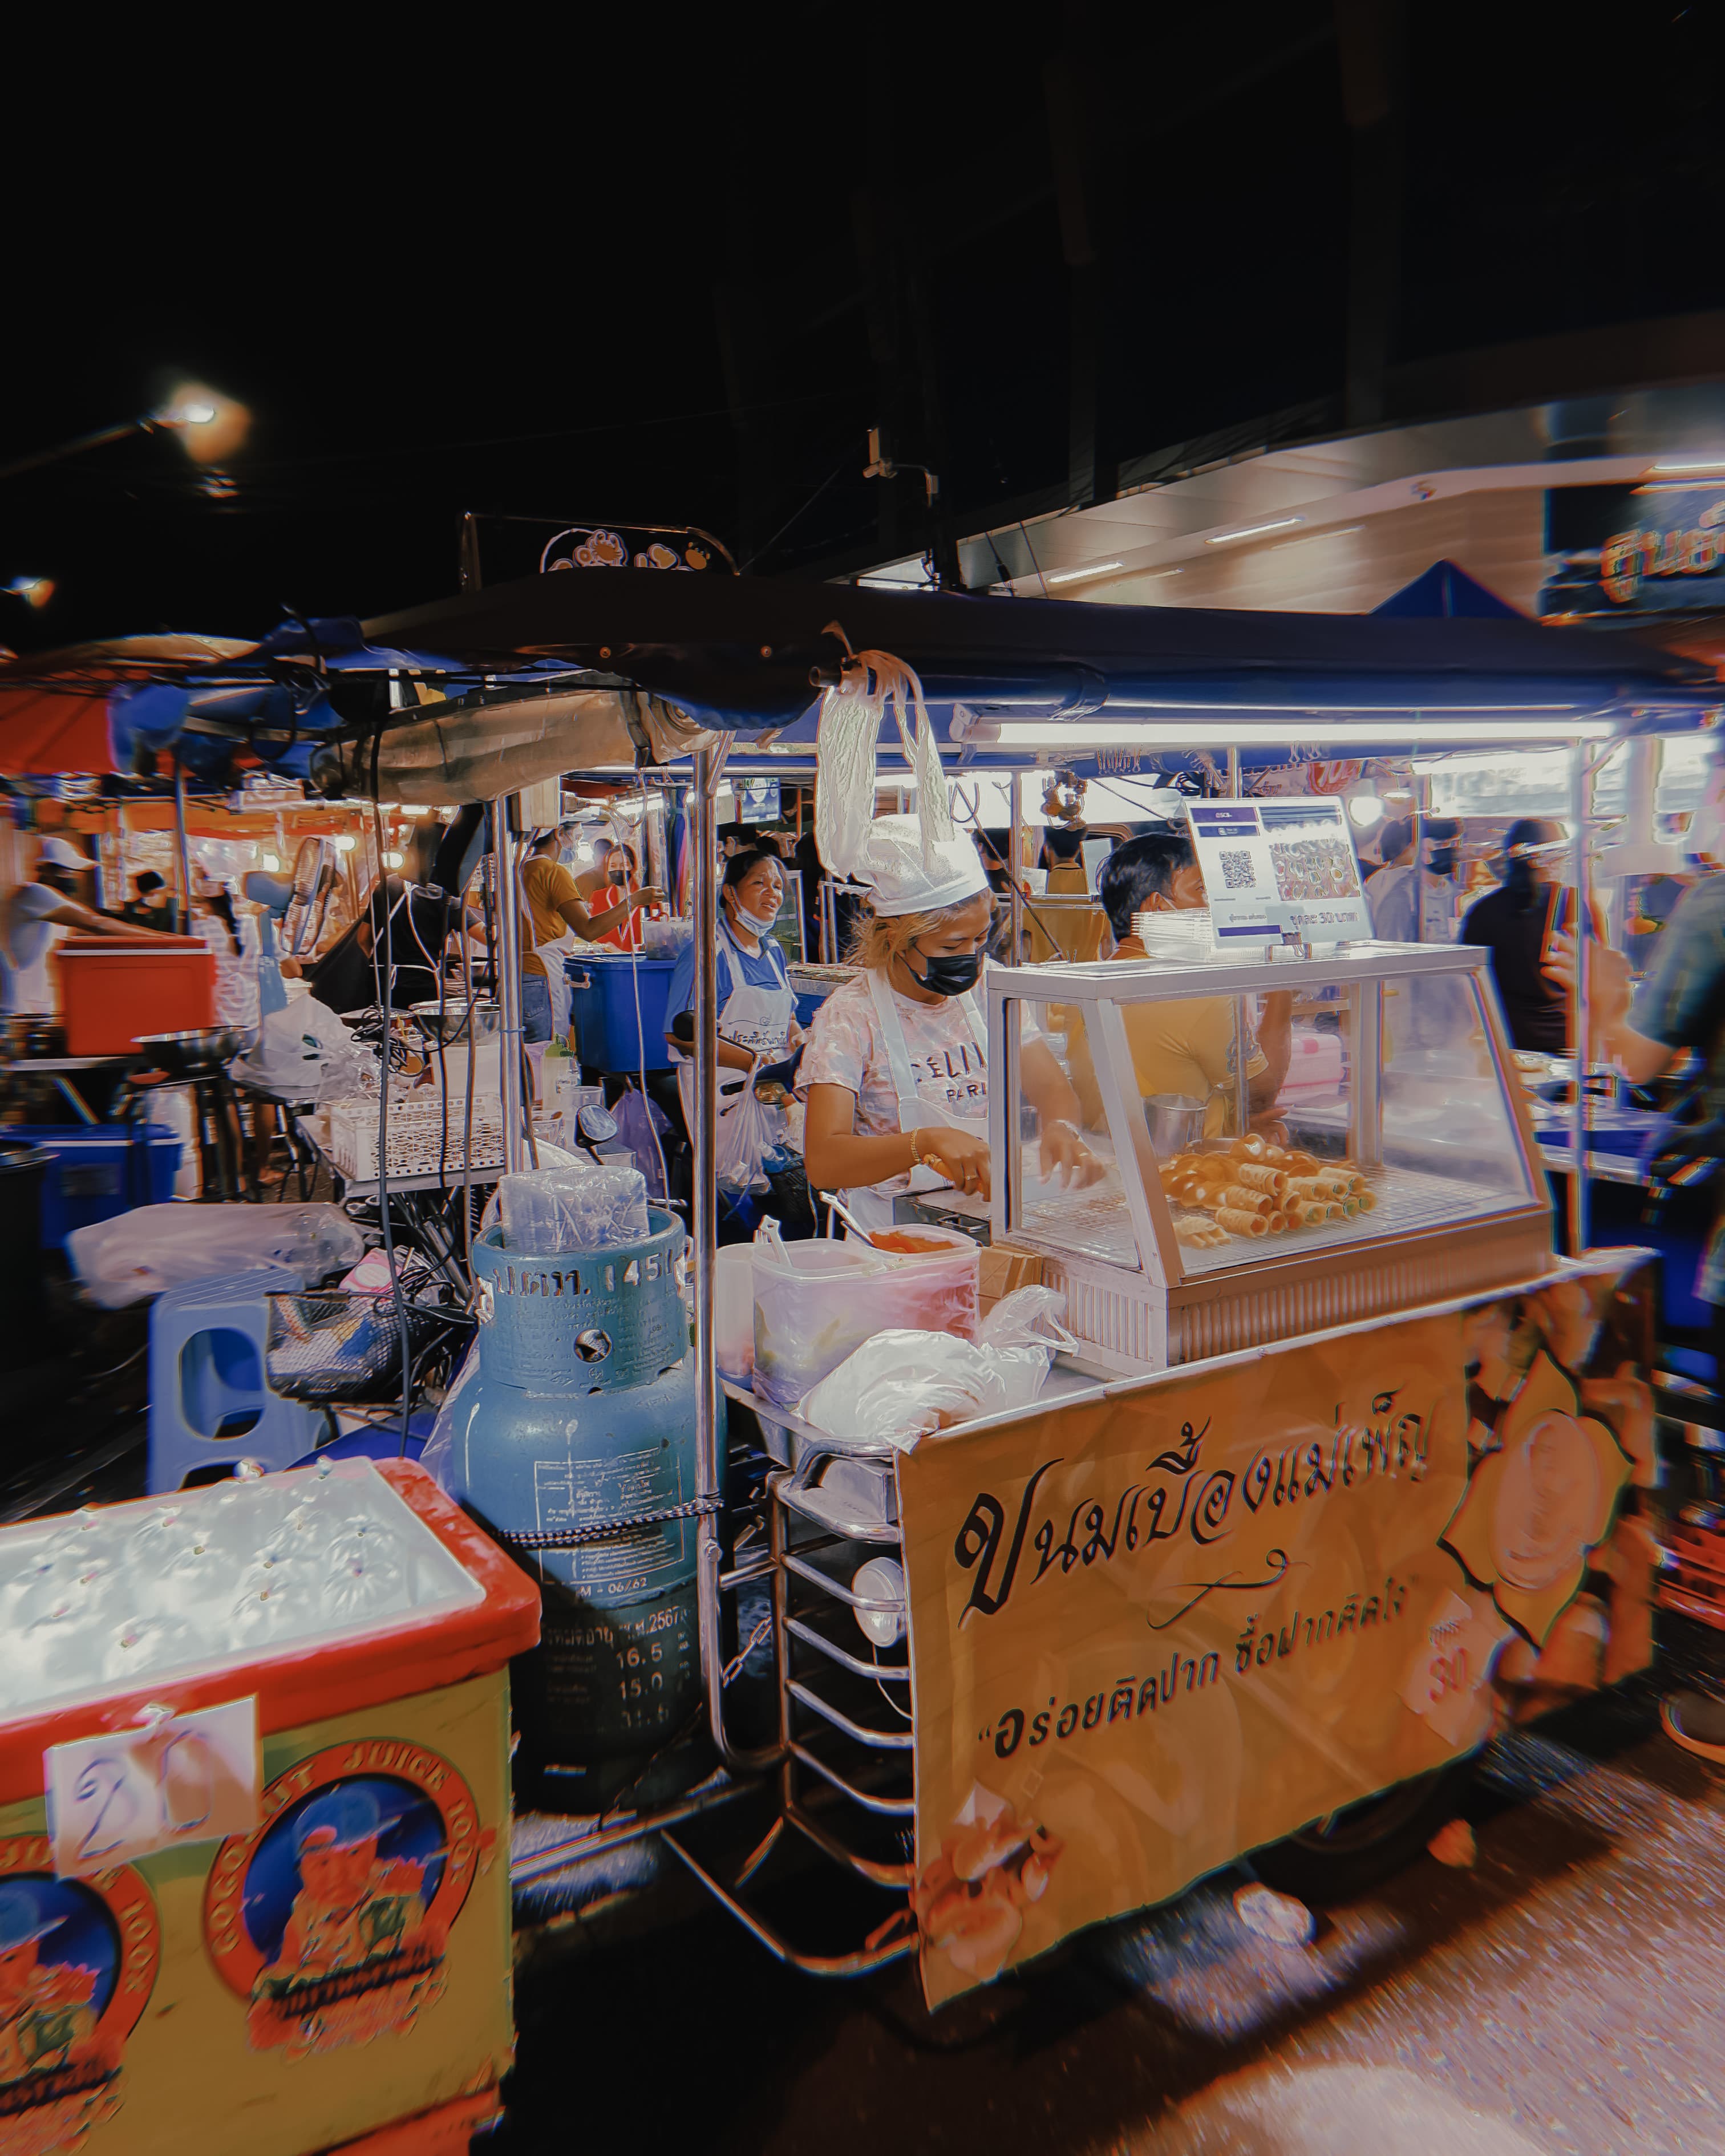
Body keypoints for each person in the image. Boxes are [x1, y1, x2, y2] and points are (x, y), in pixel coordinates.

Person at [800, 816, 1099, 1232]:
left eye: (980, 939)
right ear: (897, 938)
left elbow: (1051, 1088)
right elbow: (824, 1163)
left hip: (991, 1215)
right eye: (952, 945)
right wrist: (923, 1142)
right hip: (894, 1234)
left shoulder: (991, 988)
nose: (972, 957)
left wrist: (1062, 1128)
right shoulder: (850, 1016)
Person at [1066, 828, 1292, 1138]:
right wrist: (1283, 979)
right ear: (1159, 907)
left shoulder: (1093, 983)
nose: (1215, 907)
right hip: (1180, 1163)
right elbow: (1259, 1095)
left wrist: (1237, 1122)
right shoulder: (1192, 993)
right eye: (1203, 891)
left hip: (1115, 1154)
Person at [665, 847, 803, 1109]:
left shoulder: (774, 951)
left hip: (775, 1087)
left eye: (777, 886)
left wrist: (800, 1042)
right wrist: (753, 1062)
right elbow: (678, 1035)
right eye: (759, 883)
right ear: (730, 893)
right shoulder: (705, 953)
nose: (772, 893)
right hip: (722, 1091)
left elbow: (789, 1020)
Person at [0, 835, 188, 1022]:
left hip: (40, 1004)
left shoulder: (54, 900)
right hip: (20, 1006)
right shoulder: (34, 892)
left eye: (74, 872)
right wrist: (167, 942)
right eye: (66, 871)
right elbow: (97, 924)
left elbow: (99, 928)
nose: (72, 878)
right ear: (45, 869)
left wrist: (165, 939)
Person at [520, 826, 663, 1044]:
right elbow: (588, 930)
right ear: (558, 834)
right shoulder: (552, 872)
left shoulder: (520, 870)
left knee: (530, 1053)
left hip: (520, 975)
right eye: (576, 837)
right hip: (542, 975)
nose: (576, 844)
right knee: (548, 1051)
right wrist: (634, 901)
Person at [1459, 819, 1572, 1052]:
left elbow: (1469, 983)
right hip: (1566, 1039)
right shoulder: (1573, 903)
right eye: (1559, 854)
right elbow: (1595, 974)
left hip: (1506, 1041)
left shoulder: (1483, 911)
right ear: (1541, 858)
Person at [592, 839, 645, 953]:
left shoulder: (645, 898)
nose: (618, 869)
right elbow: (595, 936)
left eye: (623, 865)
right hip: (608, 960)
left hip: (638, 961)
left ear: (633, 867)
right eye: (613, 866)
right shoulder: (598, 897)